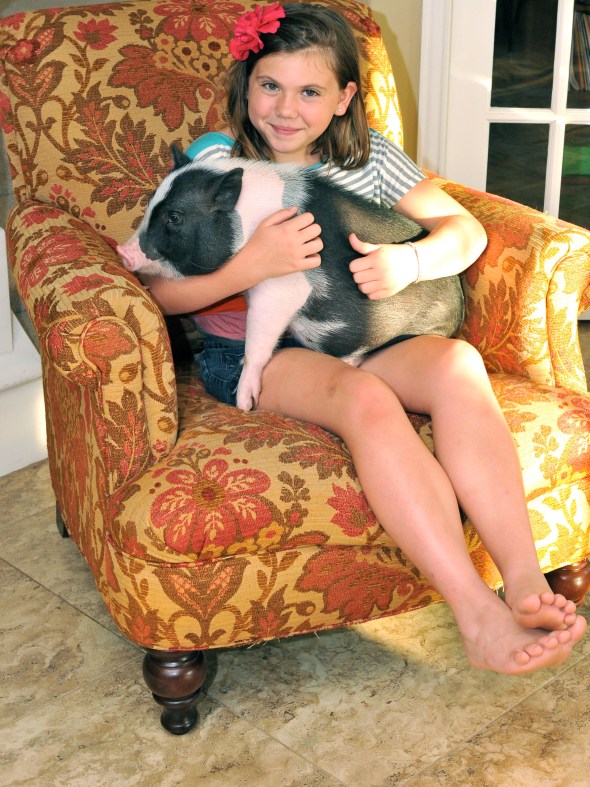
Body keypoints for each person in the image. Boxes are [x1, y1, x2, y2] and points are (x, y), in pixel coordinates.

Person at [141, 2, 586, 674]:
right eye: (270, 85)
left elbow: (464, 231)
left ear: (344, 97)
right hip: (264, 355)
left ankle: (523, 579)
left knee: (459, 364)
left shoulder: (368, 156)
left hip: (368, 337)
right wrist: (251, 266)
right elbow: (159, 291)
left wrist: (412, 261)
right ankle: (475, 613)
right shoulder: (213, 162)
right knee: (365, 400)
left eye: (310, 91)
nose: (286, 109)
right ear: (245, 84)